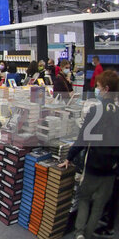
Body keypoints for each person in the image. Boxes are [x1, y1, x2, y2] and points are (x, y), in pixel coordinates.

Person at [59, 70, 119, 239]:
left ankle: (79, 233)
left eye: (98, 87)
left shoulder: (95, 111)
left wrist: (69, 157)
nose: (96, 89)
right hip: (111, 169)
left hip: (93, 164)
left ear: (106, 89)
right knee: (99, 205)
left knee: (84, 198)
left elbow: (82, 139)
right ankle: (89, 233)